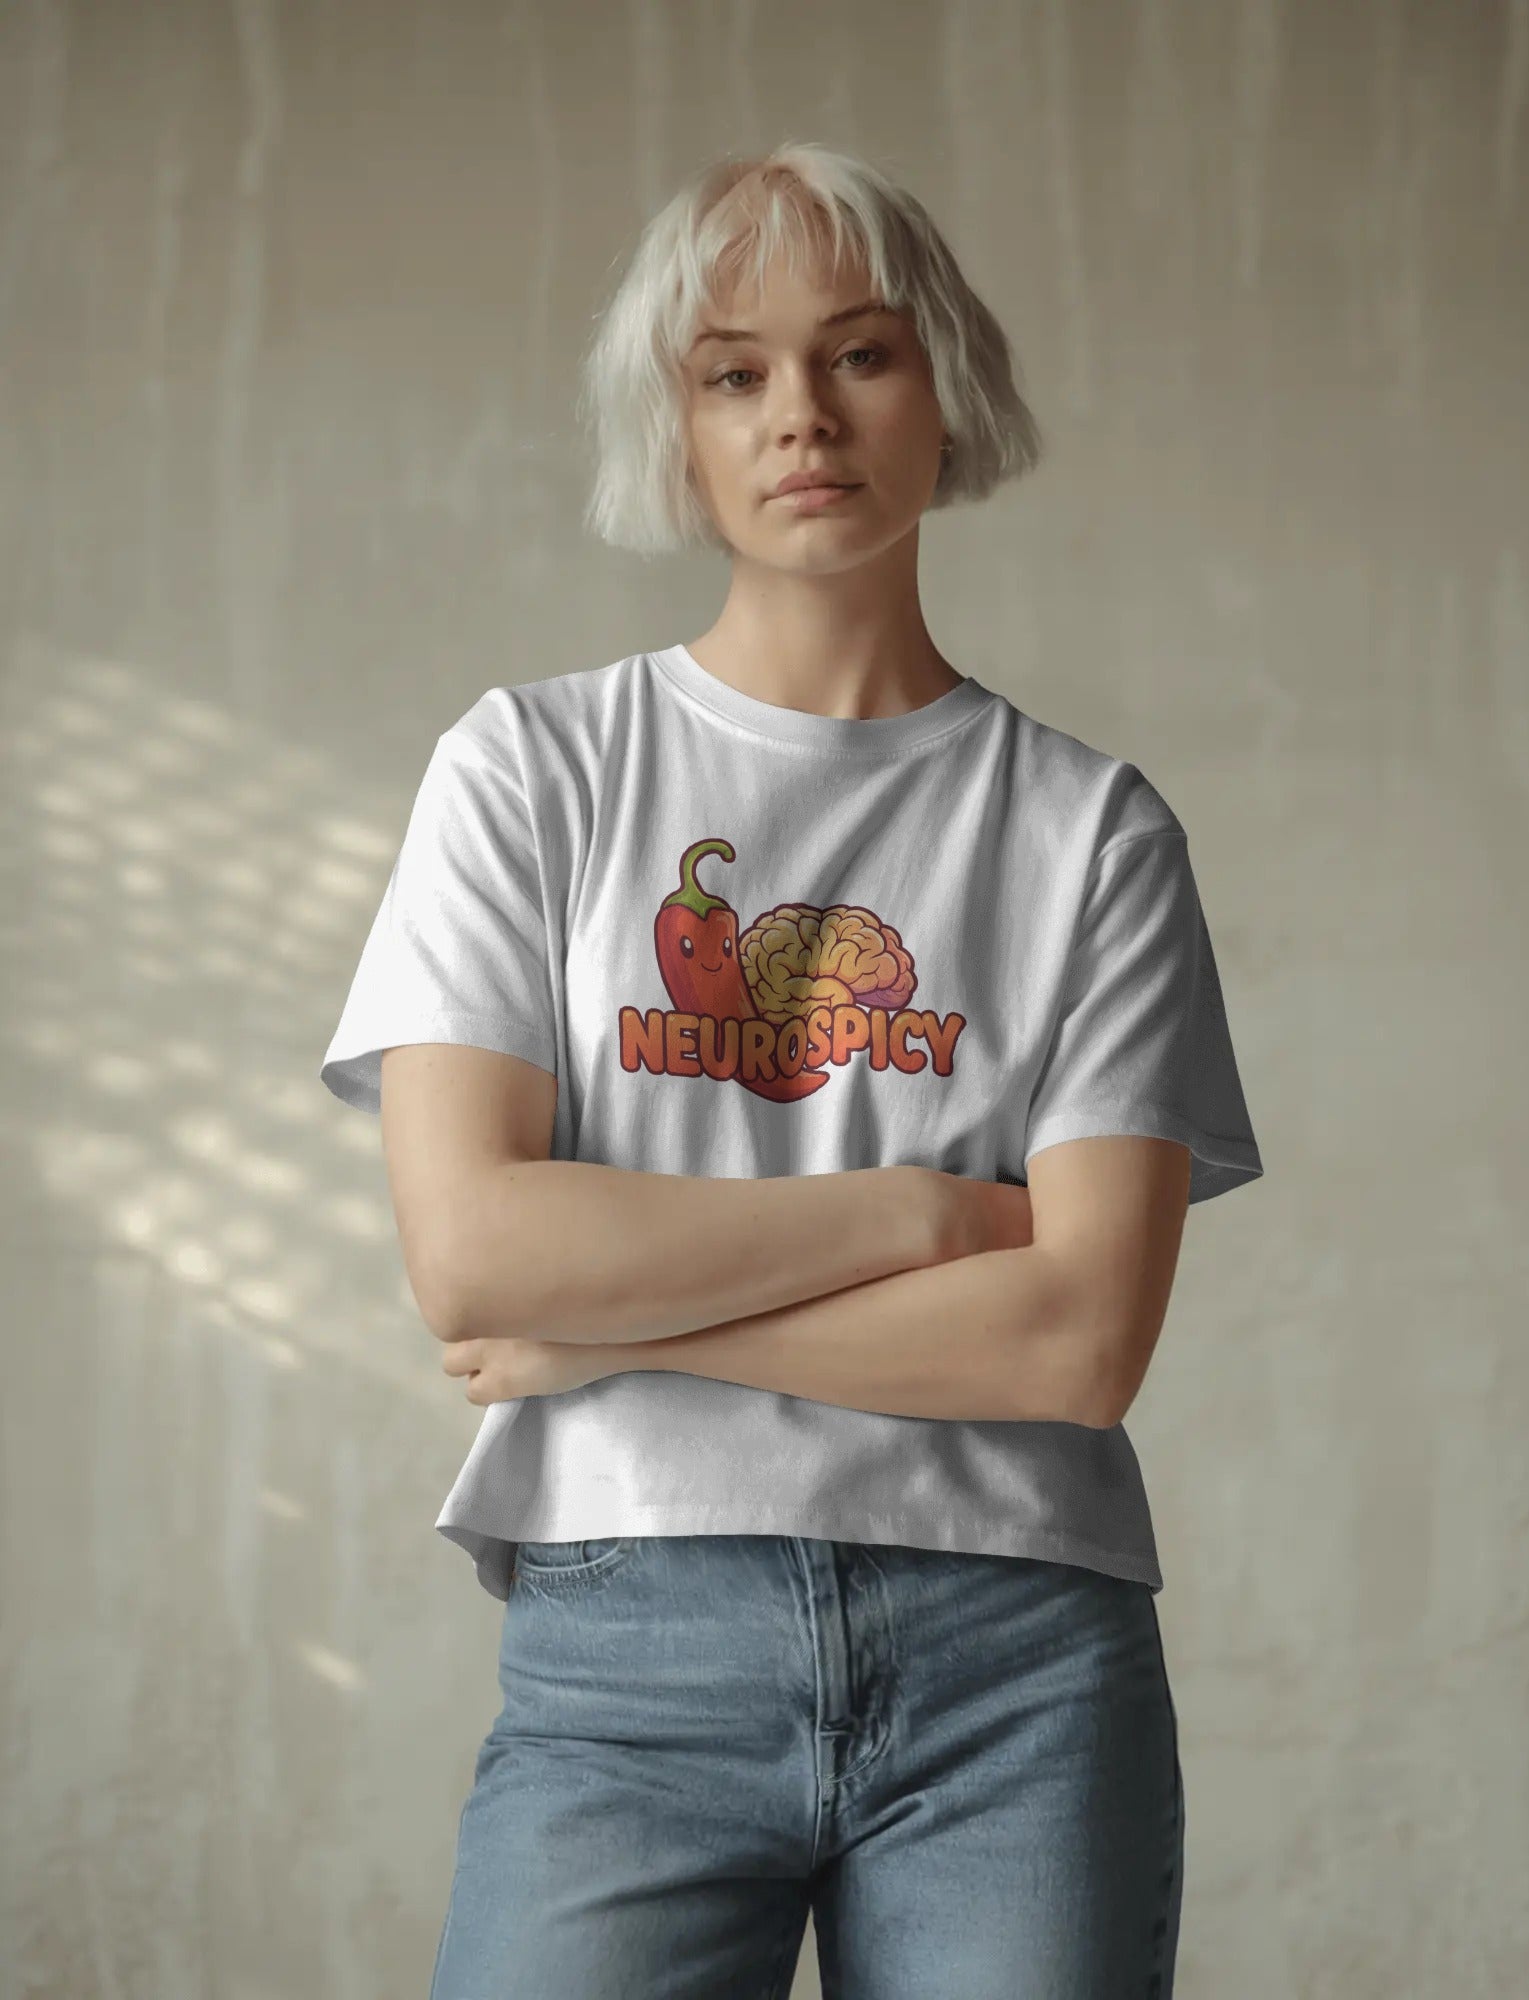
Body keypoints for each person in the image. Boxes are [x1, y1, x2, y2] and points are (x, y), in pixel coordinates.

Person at [320, 140, 1264, 1999]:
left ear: (947, 391)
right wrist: (921, 1215)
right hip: (629, 1642)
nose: (799, 416)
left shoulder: (1090, 835)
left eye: (861, 354)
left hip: (1023, 1662)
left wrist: (622, 1335)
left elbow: (1071, 1346)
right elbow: (481, 1259)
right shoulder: (532, 772)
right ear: (672, 428)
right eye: (730, 370)